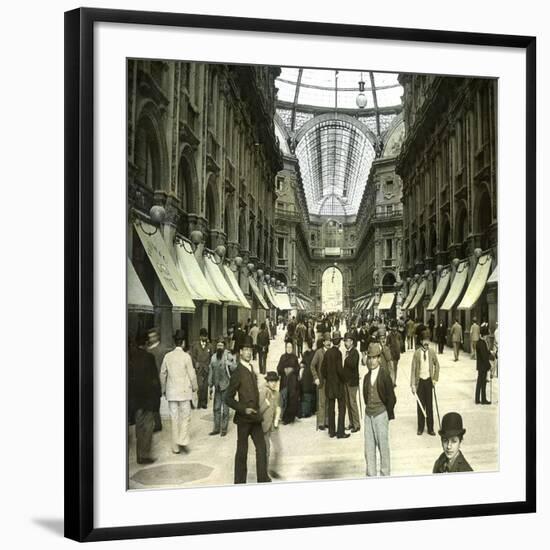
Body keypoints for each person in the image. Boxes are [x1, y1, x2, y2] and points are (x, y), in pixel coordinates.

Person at [225, 335, 270, 484]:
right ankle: (239, 483)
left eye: (250, 349)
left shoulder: (251, 368)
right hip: (244, 419)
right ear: (240, 352)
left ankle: (262, 480)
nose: (249, 352)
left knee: (262, 449)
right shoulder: (238, 371)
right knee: (242, 452)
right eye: (245, 350)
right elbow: (228, 398)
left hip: (255, 417)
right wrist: (243, 409)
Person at [160, 329, 197, 454]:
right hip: (184, 392)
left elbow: (162, 373)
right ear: (183, 343)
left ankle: (175, 447)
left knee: (174, 418)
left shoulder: (167, 356)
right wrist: (195, 387)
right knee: (185, 416)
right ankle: (182, 440)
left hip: (171, 392)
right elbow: (192, 375)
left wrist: (164, 389)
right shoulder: (186, 357)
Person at [362, 342, 396, 476]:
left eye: (374, 358)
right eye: (369, 358)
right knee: (369, 448)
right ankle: (371, 474)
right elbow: (365, 396)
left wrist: (386, 413)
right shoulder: (366, 377)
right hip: (368, 416)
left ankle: (385, 474)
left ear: (379, 359)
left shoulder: (384, 375)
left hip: (381, 414)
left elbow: (392, 398)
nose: (371, 361)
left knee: (383, 446)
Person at [129, 330, 161, 464]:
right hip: (147, 399)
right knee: (147, 428)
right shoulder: (149, 357)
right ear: (146, 343)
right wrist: (157, 398)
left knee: (138, 427)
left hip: (136, 399)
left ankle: (139, 454)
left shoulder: (130, 357)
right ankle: (145, 455)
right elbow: (155, 380)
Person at [410, 326, 440, 436]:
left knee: (429, 406)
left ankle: (431, 428)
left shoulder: (432, 352)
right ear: (421, 341)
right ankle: (420, 428)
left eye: (428, 340)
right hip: (420, 382)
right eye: (424, 340)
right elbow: (413, 369)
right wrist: (413, 384)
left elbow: (437, 365)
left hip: (428, 382)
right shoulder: (417, 353)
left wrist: (435, 379)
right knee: (420, 406)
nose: (426, 342)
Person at [321, 331, 349, 439]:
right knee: (342, 407)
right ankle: (340, 432)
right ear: (340, 343)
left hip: (329, 385)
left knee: (331, 408)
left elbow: (323, 370)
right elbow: (339, 370)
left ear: (333, 342)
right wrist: (344, 379)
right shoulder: (338, 354)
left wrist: (328, 378)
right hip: (338, 385)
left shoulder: (327, 353)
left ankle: (332, 432)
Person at [207, 336, 237, 436]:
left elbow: (234, 367)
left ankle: (224, 429)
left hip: (226, 385)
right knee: (216, 408)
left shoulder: (228, 355)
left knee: (225, 408)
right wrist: (210, 384)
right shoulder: (213, 357)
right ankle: (216, 428)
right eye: (218, 345)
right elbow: (211, 371)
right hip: (217, 386)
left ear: (224, 346)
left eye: (221, 345)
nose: (219, 347)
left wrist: (229, 364)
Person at [260, 371, 282, 479]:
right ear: (267, 382)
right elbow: (258, 410)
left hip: (274, 425)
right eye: (271, 381)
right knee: (266, 451)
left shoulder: (277, 393)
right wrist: (266, 404)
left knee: (278, 449)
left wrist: (277, 417)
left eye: (275, 381)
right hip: (264, 425)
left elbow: (278, 406)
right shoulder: (263, 391)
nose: (273, 383)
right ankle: (264, 474)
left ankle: (273, 469)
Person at [146, 327, 167, 432]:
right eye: (150, 337)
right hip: (149, 378)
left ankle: (157, 423)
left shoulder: (162, 349)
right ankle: (155, 422)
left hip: (158, 378)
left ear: (157, 336)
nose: (151, 338)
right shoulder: (148, 349)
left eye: (153, 336)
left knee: (156, 401)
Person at [276, 341, 301, 424]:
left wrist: (292, 369)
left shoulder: (295, 357)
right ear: (286, 348)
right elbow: (278, 368)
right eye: (288, 347)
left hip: (293, 382)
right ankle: (284, 417)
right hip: (284, 381)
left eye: (290, 347)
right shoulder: (282, 357)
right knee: (284, 398)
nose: (289, 349)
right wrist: (284, 370)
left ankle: (291, 417)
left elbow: (298, 368)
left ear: (292, 348)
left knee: (292, 399)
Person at [311, 333, 330, 430]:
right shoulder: (319, 352)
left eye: (329, 341)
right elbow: (312, 365)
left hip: (330, 381)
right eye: (326, 341)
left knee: (328, 401)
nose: (328, 343)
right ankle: (321, 422)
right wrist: (316, 378)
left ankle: (327, 421)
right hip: (321, 380)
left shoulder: (331, 351)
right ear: (323, 342)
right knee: (322, 402)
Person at [190, 328, 213, 409]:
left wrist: (210, 364)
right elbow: (193, 356)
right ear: (200, 337)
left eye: (206, 336)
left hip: (207, 368)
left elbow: (212, 356)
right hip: (199, 368)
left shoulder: (210, 346)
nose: (205, 338)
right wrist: (195, 362)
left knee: (205, 385)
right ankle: (199, 402)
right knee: (200, 385)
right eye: (203, 336)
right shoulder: (195, 346)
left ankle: (204, 403)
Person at [343, 332, 361, 432]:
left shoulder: (355, 352)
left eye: (347, 341)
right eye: (345, 341)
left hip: (352, 382)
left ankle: (356, 424)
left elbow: (353, 364)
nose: (346, 343)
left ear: (352, 342)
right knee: (348, 403)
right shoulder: (348, 352)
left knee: (352, 403)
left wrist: (345, 359)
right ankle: (351, 423)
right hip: (346, 381)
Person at [475, 323, 494, 404]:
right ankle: (483, 399)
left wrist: (490, 353)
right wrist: (489, 366)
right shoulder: (482, 343)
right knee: (483, 383)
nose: (487, 337)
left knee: (479, 383)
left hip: (480, 366)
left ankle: (477, 399)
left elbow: (485, 353)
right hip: (483, 366)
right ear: (484, 335)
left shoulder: (480, 342)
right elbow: (484, 356)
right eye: (486, 335)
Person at [299, 338, 316, 418]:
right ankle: (313, 409)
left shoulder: (305, 353)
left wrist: (302, 365)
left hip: (306, 374)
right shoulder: (314, 353)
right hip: (312, 374)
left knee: (306, 391)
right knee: (312, 391)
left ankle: (306, 410)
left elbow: (302, 363)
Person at [386, 321, 402, 386]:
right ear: (392, 328)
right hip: (391, 353)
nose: (394, 328)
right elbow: (387, 344)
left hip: (397, 354)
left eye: (395, 327)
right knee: (391, 368)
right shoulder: (389, 335)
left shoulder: (399, 335)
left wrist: (399, 347)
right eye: (393, 327)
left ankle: (394, 381)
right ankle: (392, 381)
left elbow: (401, 343)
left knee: (395, 368)